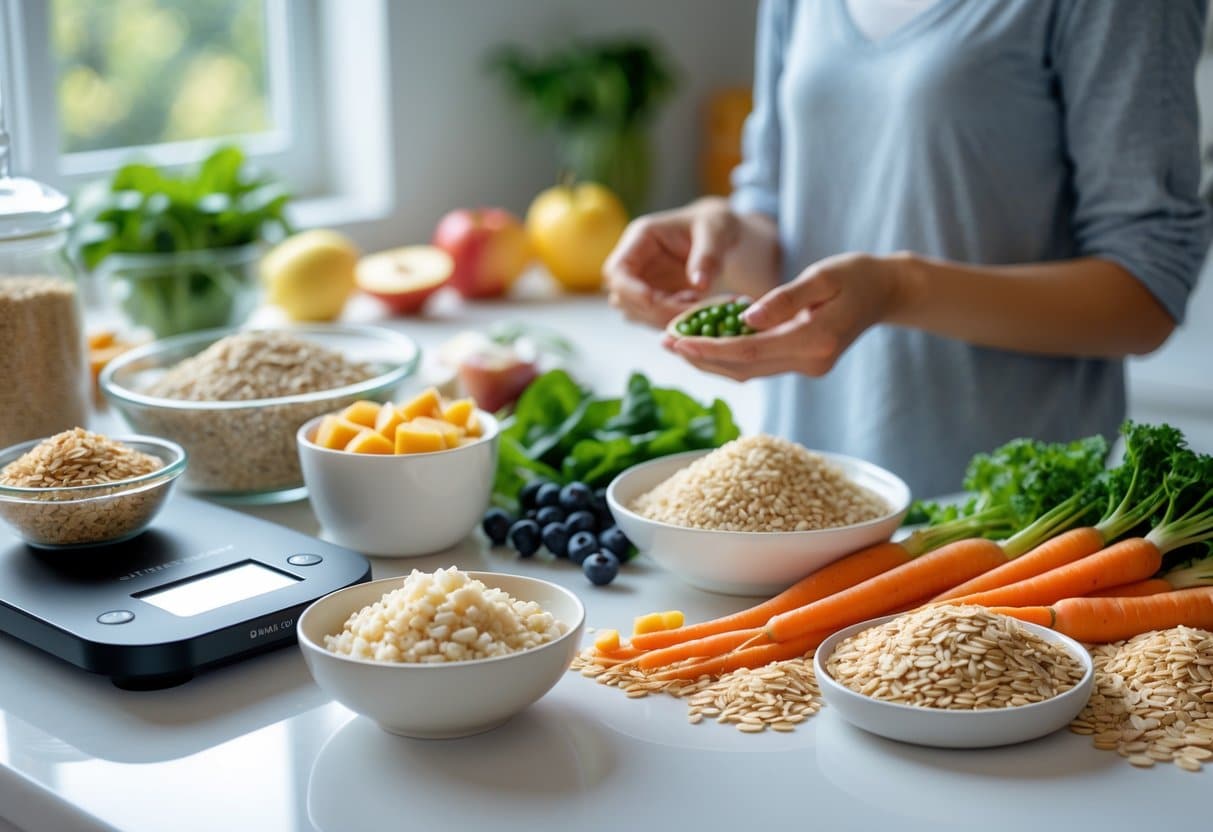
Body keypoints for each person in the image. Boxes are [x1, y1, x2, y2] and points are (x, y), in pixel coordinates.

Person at [604, 0, 1212, 497]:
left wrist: (900, 289)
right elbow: (780, 220)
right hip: (810, 497)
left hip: (1002, 526)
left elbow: (1146, 290)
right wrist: (717, 235)